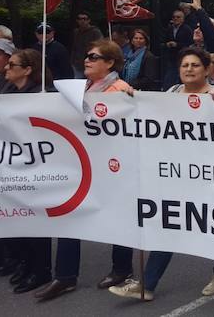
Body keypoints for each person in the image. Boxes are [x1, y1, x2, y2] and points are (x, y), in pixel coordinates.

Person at [109, 48, 214, 302]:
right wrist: (134, 98)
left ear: (207, 69)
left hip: (211, 174)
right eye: (184, 65)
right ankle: (147, 285)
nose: (189, 69)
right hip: (176, 174)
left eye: (195, 65)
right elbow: (153, 116)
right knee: (168, 224)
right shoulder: (172, 93)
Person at [35, 39, 134, 301]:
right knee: (71, 216)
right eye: (87, 56)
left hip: (112, 166)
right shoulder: (85, 87)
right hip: (83, 164)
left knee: (118, 218)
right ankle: (65, 276)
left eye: (94, 56)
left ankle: (122, 268)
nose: (87, 60)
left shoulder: (120, 89)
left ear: (110, 62)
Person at [0, 49, 54, 294]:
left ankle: (41, 270)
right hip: (11, 165)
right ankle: (24, 263)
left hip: (36, 166)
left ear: (28, 69)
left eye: (12, 64)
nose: (6, 68)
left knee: (35, 220)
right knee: (15, 216)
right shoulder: (7, 92)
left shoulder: (43, 96)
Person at [162, 9, 194, 89]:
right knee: (170, 77)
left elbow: (190, 43)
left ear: (183, 19)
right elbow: (164, 40)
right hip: (171, 57)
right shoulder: (169, 29)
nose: (175, 19)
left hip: (183, 57)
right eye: (174, 17)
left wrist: (177, 45)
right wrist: (167, 44)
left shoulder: (187, 29)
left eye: (178, 17)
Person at [70, 12, 103, 78]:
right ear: (77, 20)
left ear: (89, 20)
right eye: (80, 19)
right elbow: (74, 47)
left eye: (84, 19)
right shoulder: (76, 32)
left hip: (91, 62)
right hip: (77, 63)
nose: (82, 21)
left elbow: (100, 46)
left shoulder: (95, 32)